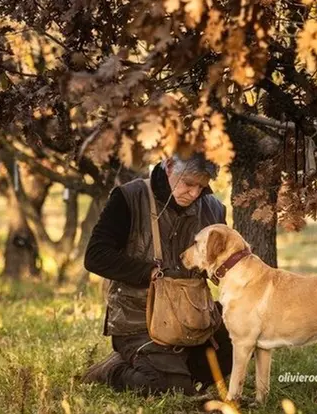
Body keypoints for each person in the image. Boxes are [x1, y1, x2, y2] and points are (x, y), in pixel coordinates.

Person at [81, 153, 233, 396]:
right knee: (170, 389)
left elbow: (224, 265)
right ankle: (113, 370)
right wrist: (148, 271)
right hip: (138, 321)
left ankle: (177, 368)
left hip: (193, 317)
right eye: (188, 183)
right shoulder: (129, 197)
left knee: (243, 335)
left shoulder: (214, 208)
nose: (194, 193)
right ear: (169, 165)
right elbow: (95, 256)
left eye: (202, 186)